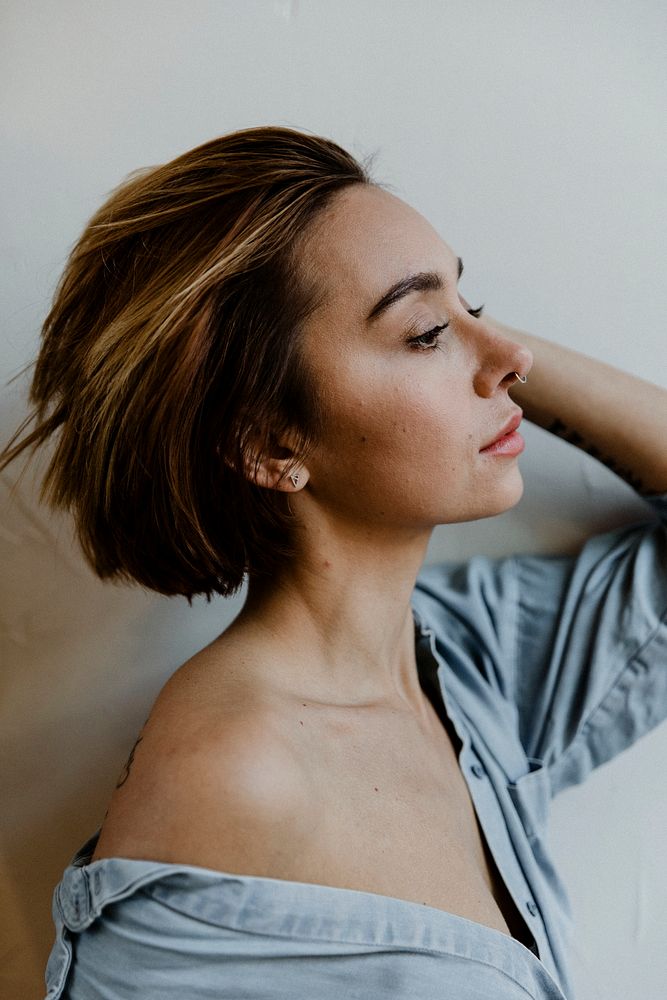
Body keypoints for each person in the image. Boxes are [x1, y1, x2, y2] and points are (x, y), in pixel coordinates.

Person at [2, 126, 666, 1000]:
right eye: (427, 332)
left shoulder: (466, 667)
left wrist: (454, 327)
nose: (513, 361)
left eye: (476, 304)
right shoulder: (234, 775)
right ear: (270, 443)